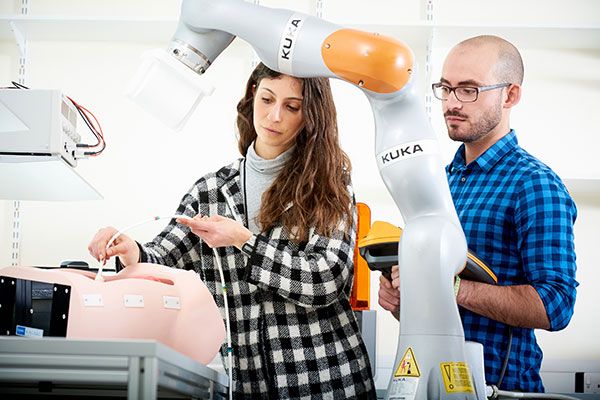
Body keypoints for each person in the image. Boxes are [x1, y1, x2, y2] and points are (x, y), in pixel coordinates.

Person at [89, 63, 376, 399]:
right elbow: (162, 261)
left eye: (291, 107)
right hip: (248, 386)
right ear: (253, 95)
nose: (274, 116)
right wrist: (130, 251)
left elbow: (326, 279)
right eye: (267, 100)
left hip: (329, 382)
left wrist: (244, 241)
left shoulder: (330, 184)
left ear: (310, 115)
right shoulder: (210, 193)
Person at [378, 35, 577, 393]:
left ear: (510, 95)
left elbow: (556, 305)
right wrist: (402, 297)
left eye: (469, 90)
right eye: (446, 88)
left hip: (500, 389)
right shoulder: (438, 182)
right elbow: (435, 304)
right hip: (430, 383)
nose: (452, 103)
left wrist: (448, 287)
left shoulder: (535, 184)